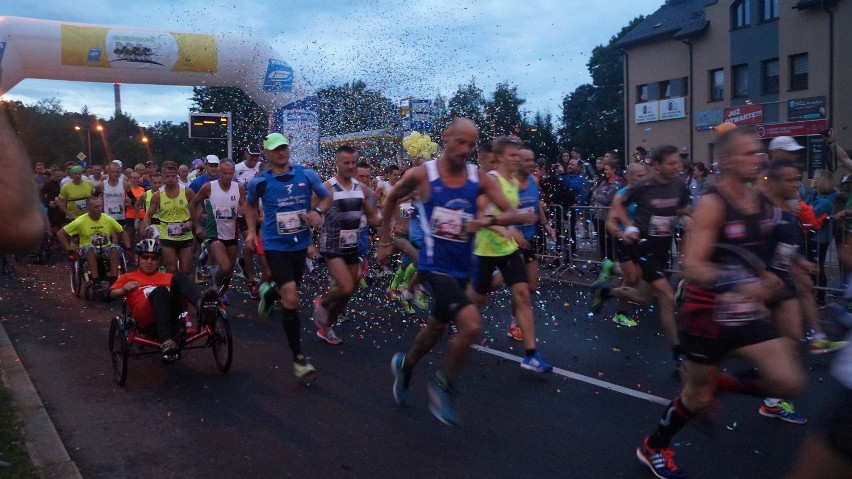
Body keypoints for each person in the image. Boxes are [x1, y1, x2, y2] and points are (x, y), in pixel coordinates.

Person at [635, 126, 806, 479]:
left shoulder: (760, 201)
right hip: (705, 314)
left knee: (789, 381)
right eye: (748, 153)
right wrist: (739, 281)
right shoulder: (713, 203)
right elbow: (691, 266)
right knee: (695, 398)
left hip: (742, 312)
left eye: (759, 152)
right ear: (726, 160)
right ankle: (654, 445)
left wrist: (766, 274)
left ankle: (722, 385)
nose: (757, 158)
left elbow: (750, 251)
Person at [379, 118, 536, 426]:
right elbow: (391, 198)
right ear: (445, 138)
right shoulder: (423, 175)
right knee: (471, 325)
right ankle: (442, 384)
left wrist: (486, 222)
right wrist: (387, 238)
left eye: (471, 144)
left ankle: (405, 366)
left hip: (460, 269)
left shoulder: (479, 179)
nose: (465, 149)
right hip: (433, 267)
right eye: (460, 142)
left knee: (435, 330)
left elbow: (510, 213)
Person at [245, 132, 328, 384]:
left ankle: (269, 295)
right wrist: (250, 231)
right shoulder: (259, 182)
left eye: (284, 148)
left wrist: (316, 211)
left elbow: (326, 195)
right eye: (275, 149)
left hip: (299, 244)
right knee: (292, 296)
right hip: (274, 244)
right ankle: (299, 359)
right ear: (267, 154)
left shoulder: (307, 175)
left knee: (288, 291)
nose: (281, 152)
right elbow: (249, 205)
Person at [594, 145, 690, 362]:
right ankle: (678, 353)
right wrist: (626, 228)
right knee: (666, 294)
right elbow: (616, 209)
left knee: (646, 297)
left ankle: (607, 293)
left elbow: (683, 210)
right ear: (656, 165)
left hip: (662, 249)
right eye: (672, 162)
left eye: (679, 162)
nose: (678, 166)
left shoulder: (678, 185)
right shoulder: (641, 187)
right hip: (641, 246)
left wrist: (689, 220)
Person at [468, 136, 553, 373]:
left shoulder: (514, 182)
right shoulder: (491, 181)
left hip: (508, 250)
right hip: (485, 250)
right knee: (479, 299)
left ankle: (531, 355)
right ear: (501, 157)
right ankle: (457, 311)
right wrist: (508, 230)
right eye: (513, 155)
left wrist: (519, 227)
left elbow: (514, 212)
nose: (517, 159)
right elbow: (480, 215)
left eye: (519, 155)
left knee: (523, 293)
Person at [312, 145, 380, 344]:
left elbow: (371, 216)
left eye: (353, 162)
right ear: (337, 163)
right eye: (346, 162)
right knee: (346, 285)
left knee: (351, 287)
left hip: (352, 245)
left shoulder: (361, 190)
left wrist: (386, 222)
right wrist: (314, 217)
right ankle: (323, 304)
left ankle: (327, 327)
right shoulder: (328, 187)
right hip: (332, 245)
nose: (350, 166)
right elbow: (309, 209)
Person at [109, 239, 216, 362]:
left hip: (173, 315)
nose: (149, 262)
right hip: (145, 318)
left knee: (180, 276)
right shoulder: (127, 277)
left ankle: (201, 304)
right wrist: (122, 290)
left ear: (159, 260)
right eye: (145, 257)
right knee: (160, 291)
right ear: (138, 258)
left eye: (154, 258)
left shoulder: (168, 277)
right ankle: (166, 341)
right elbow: (109, 294)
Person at [602, 162, 649, 327]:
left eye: (645, 175)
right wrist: (622, 234)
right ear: (629, 177)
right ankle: (620, 314)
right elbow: (610, 222)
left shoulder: (645, 194)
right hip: (623, 240)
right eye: (639, 176)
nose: (643, 179)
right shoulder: (622, 195)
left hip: (639, 241)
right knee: (631, 278)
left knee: (637, 277)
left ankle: (611, 268)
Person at [58, 196, 132, 297]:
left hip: (105, 248)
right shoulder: (81, 221)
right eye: (95, 207)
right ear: (89, 209)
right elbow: (60, 233)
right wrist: (69, 249)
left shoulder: (107, 219)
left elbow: (122, 232)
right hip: (87, 249)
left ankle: (114, 280)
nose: (99, 209)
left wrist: (128, 248)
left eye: (100, 206)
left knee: (114, 247)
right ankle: (96, 282)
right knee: (90, 248)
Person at [0, 107, 51, 252]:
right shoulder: (33, 177)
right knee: (41, 213)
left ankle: (48, 234)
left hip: (38, 203)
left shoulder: (44, 177)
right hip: (36, 203)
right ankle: (47, 232)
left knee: (43, 213)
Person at [191, 159, 245, 294]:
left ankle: (220, 294)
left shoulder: (239, 188)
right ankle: (214, 287)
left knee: (229, 273)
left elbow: (244, 208)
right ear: (219, 172)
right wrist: (197, 225)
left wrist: (242, 212)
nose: (227, 176)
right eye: (224, 173)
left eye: (230, 173)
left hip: (232, 234)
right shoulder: (209, 187)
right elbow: (193, 204)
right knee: (225, 267)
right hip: (214, 234)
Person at [142, 163, 195, 274]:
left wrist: (192, 222)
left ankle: (184, 290)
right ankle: (172, 290)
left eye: (173, 176)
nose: (170, 179)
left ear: (177, 176)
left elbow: (197, 209)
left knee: (186, 270)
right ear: (162, 177)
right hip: (166, 236)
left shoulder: (187, 192)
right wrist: (147, 228)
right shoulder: (157, 196)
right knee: (172, 269)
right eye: (167, 176)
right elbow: (148, 215)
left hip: (185, 235)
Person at [235, 144, 264, 298]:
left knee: (259, 246)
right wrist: (237, 205)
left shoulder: (263, 167)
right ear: (245, 153)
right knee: (250, 242)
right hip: (246, 210)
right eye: (252, 155)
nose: (254, 159)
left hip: (262, 209)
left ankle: (244, 261)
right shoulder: (237, 169)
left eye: (257, 156)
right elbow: (230, 186)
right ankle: (252, 281)